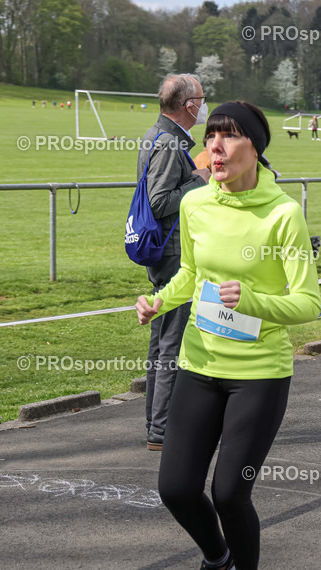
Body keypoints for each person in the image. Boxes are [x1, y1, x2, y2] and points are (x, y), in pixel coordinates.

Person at [135, 101, 321, 570]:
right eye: (210, 135)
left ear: (255, 149)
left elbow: (308, 304)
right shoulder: (195, 205)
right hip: (199, 364)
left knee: (229, 491)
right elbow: (192, 275)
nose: (213, 147)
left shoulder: (282, 213)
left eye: (228, 136)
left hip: (259, 374)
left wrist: (254, 300)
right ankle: (217, 558)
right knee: (174, 487)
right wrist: (160, 301)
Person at [138, 74, 211, 451]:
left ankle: (156, 422)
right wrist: (198, 179)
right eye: (201, 98)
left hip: (162, 250)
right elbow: (160, 201)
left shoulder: (158, 135)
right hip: (171, 253)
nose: (204, 104)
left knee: (160, 339)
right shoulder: (168, 143)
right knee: (170, 342)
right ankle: (162, 430)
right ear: (189, 105)